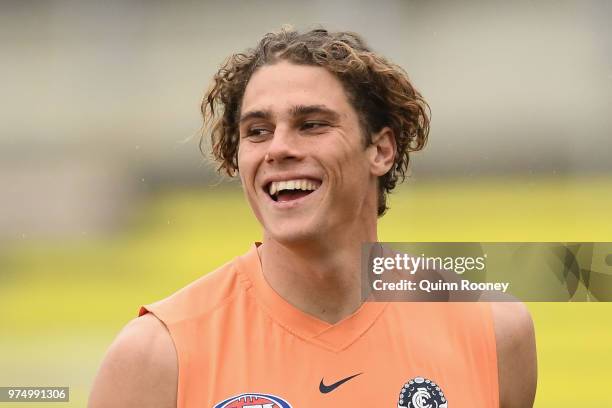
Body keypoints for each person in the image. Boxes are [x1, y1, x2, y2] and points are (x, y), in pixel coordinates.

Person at [89, 26, 537, 408]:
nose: (279, 148)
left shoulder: (493, 330)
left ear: (380, 150)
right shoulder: (156, 354)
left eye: (312, 124)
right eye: (257, 131)